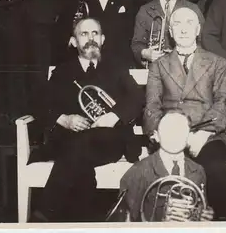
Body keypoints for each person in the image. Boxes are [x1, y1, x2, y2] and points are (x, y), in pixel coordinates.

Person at [28, 17, 145, 222]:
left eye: (95, 34)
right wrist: (63, 119)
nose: (91, 38)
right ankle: (89, 220)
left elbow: (137, 97)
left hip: (109, 142)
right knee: (81, 166)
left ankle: (44, 212)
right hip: (72, 142)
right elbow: (38, 103)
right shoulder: (62, 71)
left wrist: (114, 116)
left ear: (103, 39)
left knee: (75, 147)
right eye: (84, 34)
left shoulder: (116, 67)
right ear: (73, 42)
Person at [143, 7, 226, 220]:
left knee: (218, 173)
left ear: (198, 30)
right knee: (157, 179)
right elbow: (151, 106)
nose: (184, 29)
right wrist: (165, 135)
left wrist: (203, 134)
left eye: (189, 23)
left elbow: (222, 105)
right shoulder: (159, 65)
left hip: (206, 135)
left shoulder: (217, 63)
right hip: (168, 136)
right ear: (170, 30)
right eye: (178, 23)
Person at [118, 110, 214, 222]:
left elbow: (200, 209)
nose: (174, 135)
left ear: (189, 136)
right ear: (156, 136)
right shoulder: (138, 172)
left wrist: (204, 216)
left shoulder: (198, 171)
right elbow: (127, 222)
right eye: (167, 130)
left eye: (180, 130)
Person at [131, 0, 205, 68]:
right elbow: (136, 44)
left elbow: (204, 42)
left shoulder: (192, 9)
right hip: (156, 70)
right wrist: (145, 53)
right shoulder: (145, 10)